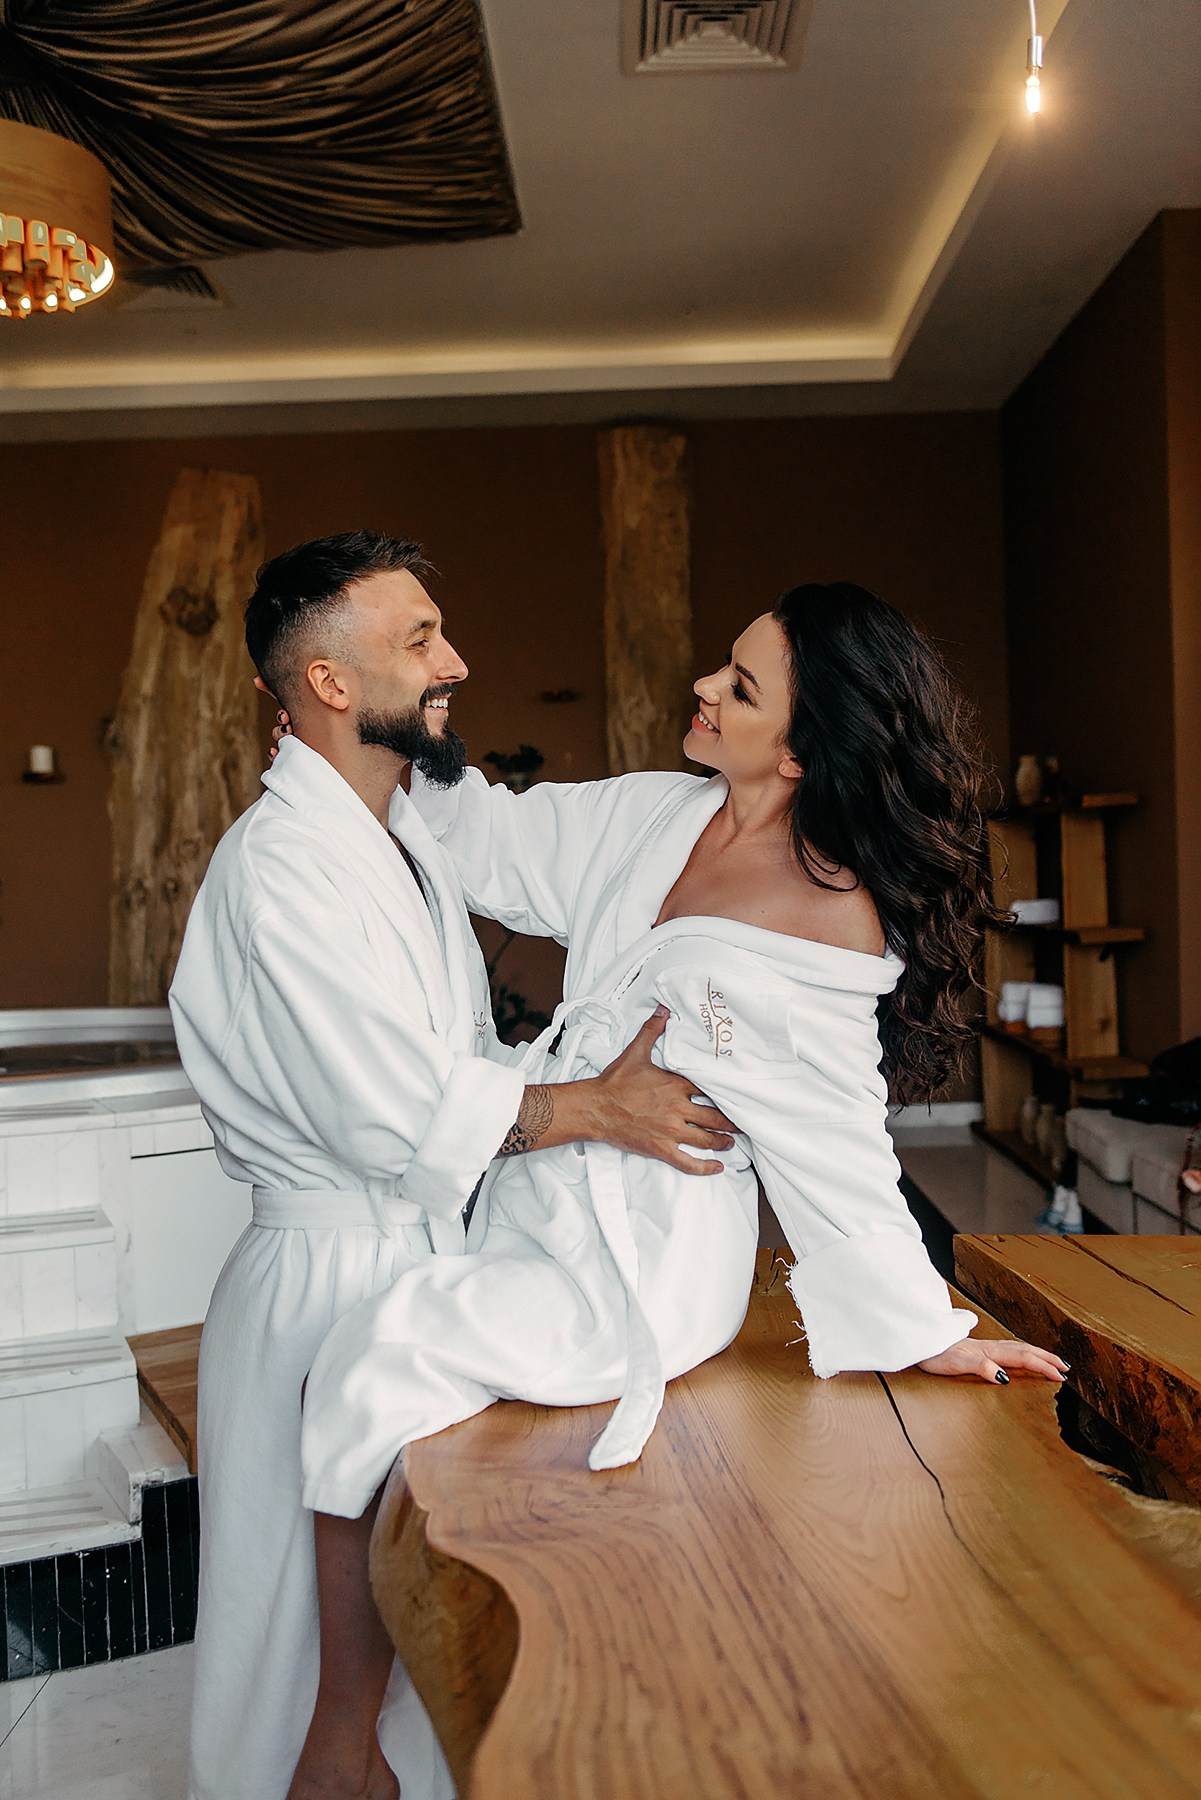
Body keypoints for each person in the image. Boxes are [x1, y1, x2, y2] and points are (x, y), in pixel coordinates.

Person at [288, 581, 1067, 1797]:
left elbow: (837, 1146)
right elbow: (493, 837)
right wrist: (376, 735)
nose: (704, 688)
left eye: (740, 687)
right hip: (538, 1196)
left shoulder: (826, 916)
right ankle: (380, 1729)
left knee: (367, 1355)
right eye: (722, 664)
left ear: (801, 752)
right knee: (372, 1348)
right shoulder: (660, 813)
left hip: (643, 1257)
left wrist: (925, 1330)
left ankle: (342, 1739)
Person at [168, 531, 737, 1800]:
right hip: (326, 1277)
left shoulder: (398, 838)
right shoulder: (282, 867)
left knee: (418, 1630)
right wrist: (596, 1106)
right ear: (328, 681)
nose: (455, 662)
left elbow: (452, 1061)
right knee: (290, 1647)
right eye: (420, 638)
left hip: (423, 1266)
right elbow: (391, 1113)